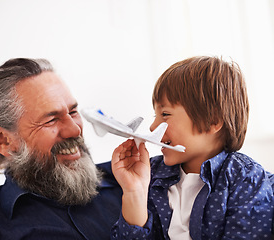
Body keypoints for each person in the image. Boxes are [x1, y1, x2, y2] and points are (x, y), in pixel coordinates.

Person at [110, 56, 274, 239]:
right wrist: (135, 192)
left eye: (165, 114)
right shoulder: (153, 175)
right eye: (154, 115)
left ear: (212, 121)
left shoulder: (246, 178)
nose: (152, 127)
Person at [0, 58, 122, 240]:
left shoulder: (138, 180)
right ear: (3, 140)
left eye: (73, 112)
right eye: (51, 120)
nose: (75, 130)